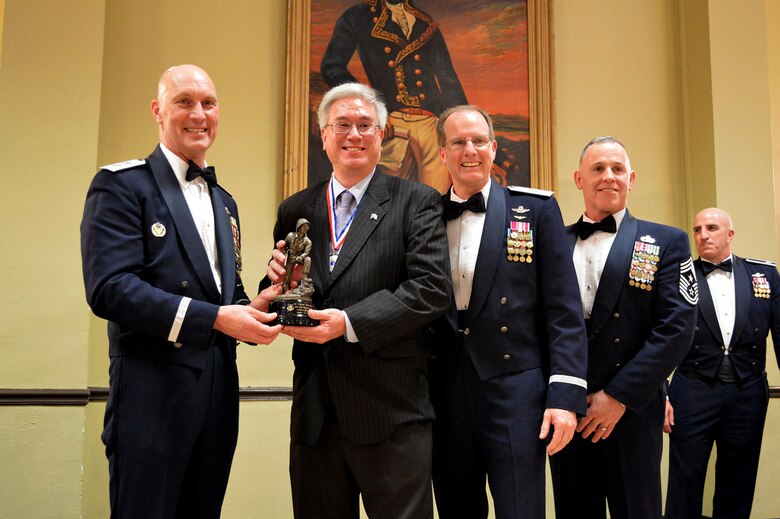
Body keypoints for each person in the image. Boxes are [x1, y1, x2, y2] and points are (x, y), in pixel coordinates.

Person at [80, 64, 282, 518]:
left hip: (216, 393)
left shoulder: (223, 200)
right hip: (152, 394)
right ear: (158, 110)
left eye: (208, 103)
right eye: (184, 101)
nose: (199, 113)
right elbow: (109, 289)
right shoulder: (122, 185)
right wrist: (213, 318)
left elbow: (225, 300)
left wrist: (258, 306)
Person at [263, 82, 450, 519]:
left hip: (391, 413)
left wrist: (347, 324)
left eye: (366, 125)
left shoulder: (415, 201)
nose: (354, 135)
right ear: (323, 134)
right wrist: (270, 290)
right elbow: (287, 291)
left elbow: (430, 288)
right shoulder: (296, 208)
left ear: (382, 135)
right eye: (342, 124)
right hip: (316, 417)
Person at [426, 105, 588, 519]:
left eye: (479, 141)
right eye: (458, 142)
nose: (470, 150)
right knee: (455, 507)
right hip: (443, 390)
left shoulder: (534, 210)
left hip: (516, 392)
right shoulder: (422, 214)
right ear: (443, 153)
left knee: (521, 510)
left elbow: (564, 311)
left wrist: (566, 396)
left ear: (493, 148)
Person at [548, 136, 698, 519]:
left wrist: (617, 397)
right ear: (578, 178)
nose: (608, 177)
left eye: (617, 169)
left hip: (632, 410)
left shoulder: (667, 242)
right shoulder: (553, 242)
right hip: (569, 411)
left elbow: (676, 329)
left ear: (631, 179)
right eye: (597, 168)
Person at [664, 207, 780, 519]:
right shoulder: (676, 276)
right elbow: (657, 335)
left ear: (729, 234)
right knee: (684, 481)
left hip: (748, 392)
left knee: (738, 482)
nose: (703, 235)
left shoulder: (763, 275)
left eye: (711, 228)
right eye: (697, 229)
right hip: (692, 389)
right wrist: (661, 391)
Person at [320, 0, 467, 192]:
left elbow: (449, 82)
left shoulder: (425, 23)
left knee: (434, 203)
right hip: (390, 124)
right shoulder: (358, 17)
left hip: (432, 127)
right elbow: (331, 66)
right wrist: (372, 108)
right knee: (389, 207)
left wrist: (464, 133)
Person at [282, 218, 313, 294]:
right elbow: (284, 245)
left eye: (307, 227)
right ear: (299, 227)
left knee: (308, 259)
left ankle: (305, 277)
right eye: (304, 226)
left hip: (300, 257)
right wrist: (284, 253)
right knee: (287, 275)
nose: (306, 228)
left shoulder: (308, 241)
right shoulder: (290, 235)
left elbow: (307, 252)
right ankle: (285, 287)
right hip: (291, 257)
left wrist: (301, 257)